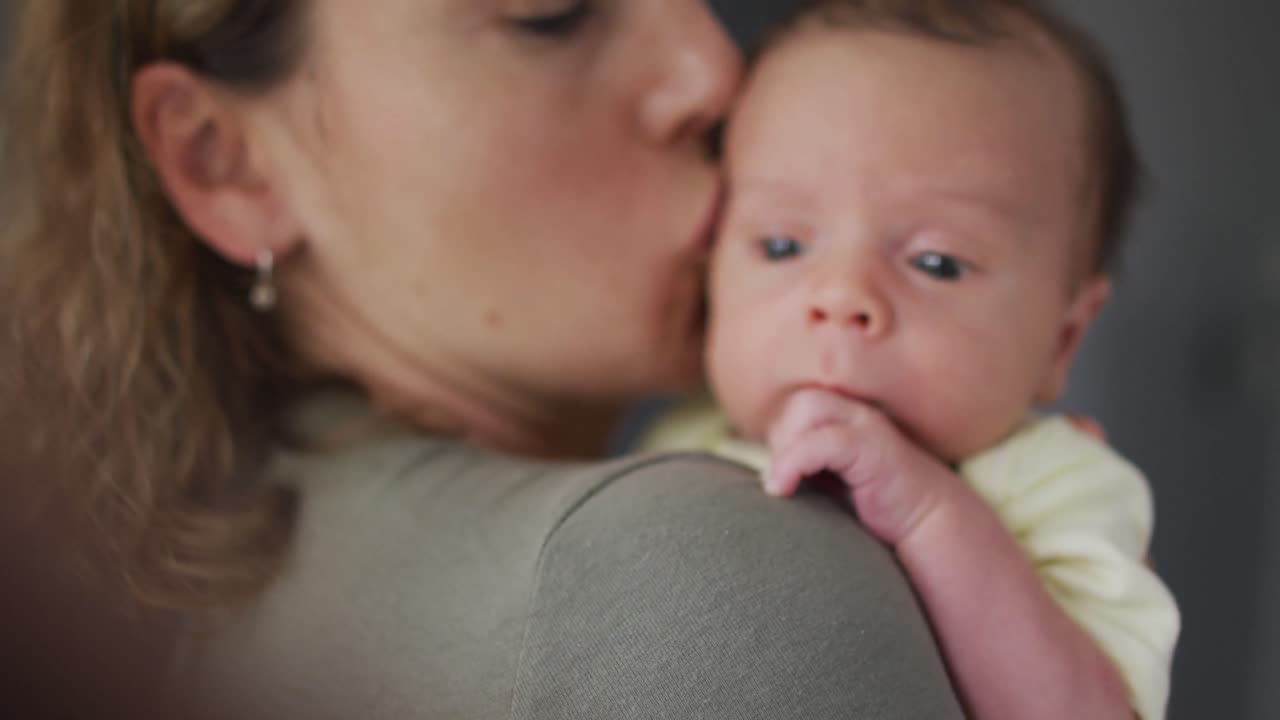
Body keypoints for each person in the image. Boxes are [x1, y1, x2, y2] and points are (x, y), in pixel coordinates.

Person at [0, 1, 967, 718]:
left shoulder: (183, 591)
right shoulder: (698, 584)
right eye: (549, 14)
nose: (713, 65)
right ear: (226, 160)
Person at [643, 1, 1180, 718]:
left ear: (1062, 339)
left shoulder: (1054, 486)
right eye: (781, 246)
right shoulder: (681, 444)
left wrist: (929, 514)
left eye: (936, 262)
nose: (839, 295)